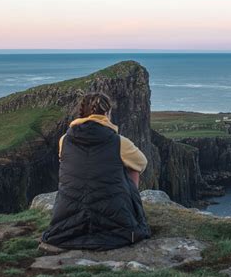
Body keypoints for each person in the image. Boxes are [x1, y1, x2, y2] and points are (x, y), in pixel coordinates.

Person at [41, 92, 151, 251]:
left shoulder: (64, 140)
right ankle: (130, 208)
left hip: (67, 222)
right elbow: (142, 163)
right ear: (107, 114)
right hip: (114, 217)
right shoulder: (119, 142)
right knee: (131, 165)